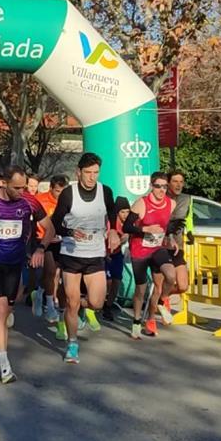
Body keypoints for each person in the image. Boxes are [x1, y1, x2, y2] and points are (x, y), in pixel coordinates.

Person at [0, 167, 52, 383]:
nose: (21, 191)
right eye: (16, 188)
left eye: (24, 187)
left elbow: (49, 228)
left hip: (16, 262)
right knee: (2, 309)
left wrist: (41, 248)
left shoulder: (28, 202)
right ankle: (5, 364)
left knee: (5, 309)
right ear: (4, 183)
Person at [48, 153, 121, 361]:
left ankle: (79, 306)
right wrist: (70, 232)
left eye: (96, 172)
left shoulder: (105, 191)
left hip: (95, 253)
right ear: (78, 172)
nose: (92, 177)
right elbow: (56, 222)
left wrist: (114, 231)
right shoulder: (68, 194)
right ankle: (72, 344)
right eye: (88, 172)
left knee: (97, 303)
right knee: (72, 303)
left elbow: (112, 212)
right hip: (72, 253)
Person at [123, 171, 175, 339]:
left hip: (157, 248)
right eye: (158, 186)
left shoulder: (171, 204)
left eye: (165, 186)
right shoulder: (141, 203)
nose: (161, 190)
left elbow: (167, 225)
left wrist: (171, 238)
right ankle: (137, 321)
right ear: (151, 186)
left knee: (170, 275)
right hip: (140, 250)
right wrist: (145, 229)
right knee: (141, 289)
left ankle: (161, 303)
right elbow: (127, 227)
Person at [33, 175, 67, 323]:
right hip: (44, 239)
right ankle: (50, 304)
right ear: (51, 188)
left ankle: (40, 292)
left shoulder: (67, 200)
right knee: (50, 271)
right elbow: (37, 220)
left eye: (63, 191)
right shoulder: (40, 199)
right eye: (58, 191)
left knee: (60, 275)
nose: (60, 194)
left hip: (62, 240)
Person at [162, 170, 194, 324]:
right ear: (168, 183)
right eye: (175, 181)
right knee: (169, 277)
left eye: (181, 182)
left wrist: (190, 232)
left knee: (183, 286)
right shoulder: (161, 197)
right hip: (161, 245)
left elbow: (189, 217)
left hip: (178, 245)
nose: (178, 185)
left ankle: (163, 296)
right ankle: (160, 301)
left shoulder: (186, 199)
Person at [103, 196, 132, 322]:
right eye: (122, 212)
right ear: (117, 212)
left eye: (127, 212)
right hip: (105, 254)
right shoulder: (111, 223)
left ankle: (108, 307)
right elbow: (106, 237)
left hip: (117, 255)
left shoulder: (127, 224)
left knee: (117, 282)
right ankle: (96, 303)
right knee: (107, 282)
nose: (125, 215)